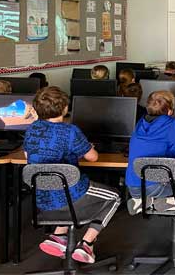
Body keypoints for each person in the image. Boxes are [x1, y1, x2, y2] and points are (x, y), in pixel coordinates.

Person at [23, 87, 120, 264]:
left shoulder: (32, 130)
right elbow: (93, 157)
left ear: (36, 109)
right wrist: (85, 146)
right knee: (114, 197)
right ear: (65, 108)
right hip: (70, 195)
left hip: (43, 199)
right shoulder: (70, 131)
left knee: (64, 195)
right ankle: (86, 244)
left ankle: (59, 237)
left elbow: (29, 158)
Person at [125, 91, 175, 214]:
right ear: (170, 111)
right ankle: (169, 201)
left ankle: (141, 201)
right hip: (156, 187)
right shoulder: (171, 123)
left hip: (133, 187)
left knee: (160, 181)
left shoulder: (140, 122)